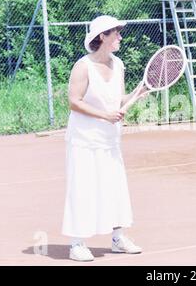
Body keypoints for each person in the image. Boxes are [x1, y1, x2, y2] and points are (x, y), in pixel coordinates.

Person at [62, 15, 146, 261]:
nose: (120, 37)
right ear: (102, 37)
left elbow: (118, 100)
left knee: (115, 188)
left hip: (110, 140)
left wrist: (138, 93)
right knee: (83, 189)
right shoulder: (83, 66)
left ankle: (118, 237)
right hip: (83, 140)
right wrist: (104, 116)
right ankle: (77, 243)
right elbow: (74, 102)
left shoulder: (118, 64)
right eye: (116, 33)